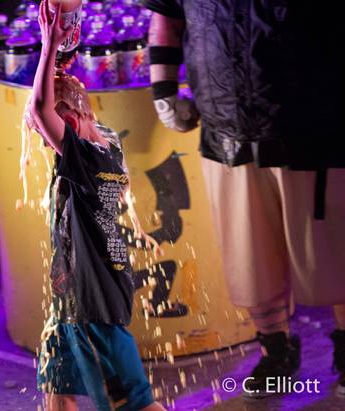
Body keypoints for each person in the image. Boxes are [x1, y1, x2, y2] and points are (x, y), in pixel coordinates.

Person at [142, 0, 345, 398]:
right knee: (251, 260)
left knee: (335, 254)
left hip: (317, 130)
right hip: (227, 130)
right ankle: (275, 351)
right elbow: (166, 15)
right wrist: (163, 91)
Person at [25, 2, 166, 410]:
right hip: (70, 298)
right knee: (57, 388)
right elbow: (51, 103)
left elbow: (41, 108)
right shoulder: (104, 141)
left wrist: (49, 45)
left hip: (92, 302)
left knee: (132, 402)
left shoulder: (86, 159)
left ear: (68, 122)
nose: (43, 141)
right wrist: (60, 61)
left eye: (45, 135)